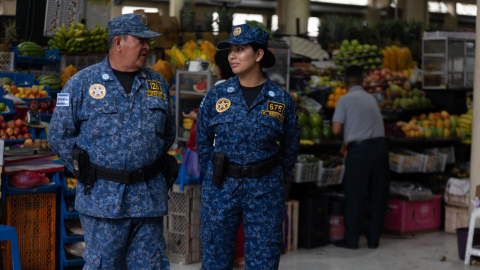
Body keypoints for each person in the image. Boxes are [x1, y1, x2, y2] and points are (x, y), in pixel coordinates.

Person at [48, 13, 175, 269]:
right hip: (102, 201)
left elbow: (167, 133)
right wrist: (84, 169)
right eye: (141, 41)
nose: (147, 47)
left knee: (151, 266)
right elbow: (58, 135)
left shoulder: (157, 83)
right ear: (118, 43)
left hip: (147, 199)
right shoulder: (81, 83)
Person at [196, 24, 300, 269]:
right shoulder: (216, 95)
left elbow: (290, 147)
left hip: (265, 189)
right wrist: (213, 174)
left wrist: (270, 176)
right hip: (221, 187)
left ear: (259, 55)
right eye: (231, 50)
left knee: (264, 260)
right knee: (215, 260)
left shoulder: (281, 100)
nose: (232, 56)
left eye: (240, 49)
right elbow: (202, 140)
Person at [331, 65, 390, 250]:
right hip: (380, 149)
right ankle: (373, 240)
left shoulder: (344, 100)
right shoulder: (371, 98)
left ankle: (352, 240)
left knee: (355, 195)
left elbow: (336, 129)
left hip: (359, 152)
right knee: (378, 195)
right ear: (363, 81)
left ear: (345, 82)